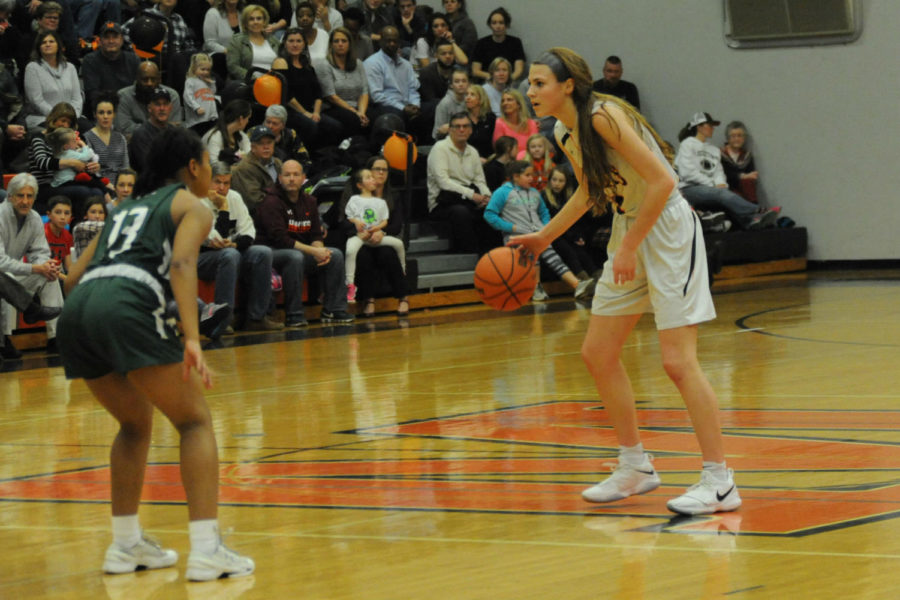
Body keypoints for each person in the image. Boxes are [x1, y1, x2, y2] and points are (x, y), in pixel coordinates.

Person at [513, 47, 741, 516]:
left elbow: (661, 181)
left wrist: (632, 245)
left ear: (567, 85)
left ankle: (720, 481)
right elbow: (590, 191)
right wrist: (544, 235)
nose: (530, 91)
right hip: (631, 230)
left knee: (678, 363)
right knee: (597, 352)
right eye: (530, 84)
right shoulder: (564, 130)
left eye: (539, 83)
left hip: (667, 231)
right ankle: (635, 466)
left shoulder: (603, 116)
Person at [55, 127, 255, 580]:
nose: (211, 171)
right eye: (208, 162)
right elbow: (184, 264)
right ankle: (206, 549)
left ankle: (125, 545)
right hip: (127, 303)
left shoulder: (125, 208)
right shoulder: (192, 205)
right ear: (192, 167)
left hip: (79, 311)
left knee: (134, 424)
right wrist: (190, 336)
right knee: (194, 421)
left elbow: (70, 280)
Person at [254, 159, 354, 325]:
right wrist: (314, 251)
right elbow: (281, 239)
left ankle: (334, 310)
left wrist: (320, 251)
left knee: (334, 255)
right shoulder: (271, 202)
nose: (291, 179)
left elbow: (315, 234)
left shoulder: (309, 201)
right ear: (280, 178)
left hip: (300, 250)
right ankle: (294, 314)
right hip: (272, 252)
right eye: (287, 175)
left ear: (303, 178)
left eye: (295, 175)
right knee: (294, 257)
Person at [200, 163, 282, 331]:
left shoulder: (235, 197)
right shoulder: (198, 200)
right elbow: (216, 239)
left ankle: (257, 318)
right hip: (200, 259)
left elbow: (248, 231)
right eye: (217, 182)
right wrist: (223, 208)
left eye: (226, 183)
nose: (222, 188)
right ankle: (222, 321)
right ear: (207, 181)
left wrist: (236, 243)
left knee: (262, 252)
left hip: (229, 252)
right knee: (230, 255)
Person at [675, 112, 778, 230]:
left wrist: (721, 184)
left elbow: (718, 172)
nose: (713, 128)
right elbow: (687, 173)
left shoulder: (713, 150)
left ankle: (751, 223)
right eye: (710, 125)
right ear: (699, 127)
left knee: (725, 195)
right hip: (690, 189)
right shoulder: (687, 145)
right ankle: (757, 211)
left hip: (710, 189)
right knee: (721, 194)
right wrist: (713, 185)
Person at [0, 173, 65, 358]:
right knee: (7, 278)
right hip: (3, 275)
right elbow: (0, 261)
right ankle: (5, 341)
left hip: (16, 273)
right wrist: (34, 268)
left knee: (49, 275)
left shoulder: (35, 218)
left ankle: (56, 338)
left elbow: (40, 252)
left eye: (30, 196)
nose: (25, 201)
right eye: (20, 196)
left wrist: (45, 266)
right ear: (10, 196)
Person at [427, 112, 498, 255]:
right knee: (461, 212)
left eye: (465, 126)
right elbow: (443, 182)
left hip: (468, 199)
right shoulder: (439, 148)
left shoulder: (472, 152)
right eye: (457, 126)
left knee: (492, 209)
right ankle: (470, 255)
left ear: (471, 130)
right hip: (443, 202)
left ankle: (494, 255)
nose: (461, 130)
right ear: (450, 129)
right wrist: (473, 195)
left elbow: (479, 180)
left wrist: (486, 197)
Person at [354, 154, 408, 317]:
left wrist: (381, 232)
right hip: (362, 239)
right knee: (363, 255)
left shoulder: (394, 195)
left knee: (387, 252)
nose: (381, 173)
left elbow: (397, 225)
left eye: (384, 170)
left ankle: (403, 297)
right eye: (377, 169)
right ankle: (368, 300)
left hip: (385, 238)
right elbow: (347, 221)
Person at [341, 167, 405, 303]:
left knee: (398, 244)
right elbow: (349, 217)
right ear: (359, 185)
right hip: (360, 236)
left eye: (372, 177)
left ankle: (403, 270)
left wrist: (378, 229)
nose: (373, 179)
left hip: (375, 236)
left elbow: (385, 221)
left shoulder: (381, 202)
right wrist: (357, 223)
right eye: (368, 177)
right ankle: (350, 284)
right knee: (350, 250)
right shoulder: (353, 199)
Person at [272, 26, 343, 150]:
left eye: (299, 41)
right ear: (285, 44)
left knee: (335, 126)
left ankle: (325, 156)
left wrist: (315, 112)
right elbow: (285, 94)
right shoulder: (280, 62)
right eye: (291, 41)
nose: (295, 45)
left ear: (304, 44)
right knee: (311, 126)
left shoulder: (307, 66)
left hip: (310, 110)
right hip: (290, 110)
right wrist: (305, 113)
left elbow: (318, 93)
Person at [27, 102, 104, 215]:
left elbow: (81, 162)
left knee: (97, 192)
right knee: (83, 192)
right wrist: (71, 163)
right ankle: (77, 225)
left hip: (66, 182)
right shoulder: (39, 138)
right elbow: (42, 162)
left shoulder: (70, 140)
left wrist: (92, 166)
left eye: (69, 123)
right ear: (53, 119)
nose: (65, 125)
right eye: (63, 120)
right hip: (44, 186)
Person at [363, 25, 426, 141]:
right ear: (381, 41)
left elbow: (413, 88)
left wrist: (415, 105)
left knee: (431, 109)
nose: (392, 44)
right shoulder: (372, 63)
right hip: (384, 106)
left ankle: (421, 149)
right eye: (388, 40)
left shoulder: (406, 64)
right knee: (397, 116)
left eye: (395, 41)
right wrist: (403, 108)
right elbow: (376, 96)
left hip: (407, 105)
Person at [542, 166, 601, 280]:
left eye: (561, 181)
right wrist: (573, 237)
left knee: (580, 250)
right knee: (568, 251)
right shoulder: (545, 197)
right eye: (554, 180)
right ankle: (583, 279)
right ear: (549, 181)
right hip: (554, 234)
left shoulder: (569, 197)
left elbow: (576, 221)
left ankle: (596, 274)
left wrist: (578, 236)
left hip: (568, 233)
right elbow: (555, 222)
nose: (557, 184)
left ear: (566, 183)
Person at [315, 26, 371, 137]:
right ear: (331, 44)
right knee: (353, 119)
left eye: (344, 41)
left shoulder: (358, 63)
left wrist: (362, 112)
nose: (340, 44)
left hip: (357, 106)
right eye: (336, 41)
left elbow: (364, 92)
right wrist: (355, 112)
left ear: (350, 44)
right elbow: (330, 96)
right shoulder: (324, 65)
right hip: (334, 108)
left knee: (375, 116)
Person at [22, 30, 83, 131]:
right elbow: (36, 100)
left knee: (90, 131)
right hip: (43, 118)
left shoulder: (70, 67)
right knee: (61, 134)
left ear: (58, 45)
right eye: (44, 42)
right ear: (39, 48)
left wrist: (72, 116)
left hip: (71, 118)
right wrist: (57, 116)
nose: (47, 44)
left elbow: (77, 98)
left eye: (51, 41)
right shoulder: (32, 68)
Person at [80, 21, 141, 109]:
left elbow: (138, 90)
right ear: (99, 41)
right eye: (106, 37)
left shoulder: (133, 59)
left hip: (128, 108)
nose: (111, 41)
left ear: (121, 40)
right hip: (101, 111)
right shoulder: (90, 60)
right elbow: (93, 94)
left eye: (115, 37)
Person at [116, 62, 183, 138]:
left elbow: (175, 129)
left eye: (153, 79)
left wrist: (141, 131)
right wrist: (159, 127)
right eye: (145, 79)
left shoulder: (172, 95)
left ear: (159, 79)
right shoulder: (123, 96)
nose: (149, 83)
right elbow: (124, 128)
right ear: (137, 78)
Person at [230, 124, 283, 213]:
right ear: (253, 147)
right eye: (261, 143)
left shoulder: (278, 163)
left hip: (277, 210)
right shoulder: (244, 168)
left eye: (269, 142)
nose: (266, 147)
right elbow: (254, 201)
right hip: (256, 216)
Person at [84, 92, 130, 185]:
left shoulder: (120, 138)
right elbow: (89, 170)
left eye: (109, 113)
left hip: (120, 184)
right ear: (94, 114)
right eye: (101, 113)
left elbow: (125, 167)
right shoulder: (87, 137)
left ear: (114, 114)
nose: (105, 117)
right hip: (98, 184)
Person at [47, 127, 109, 194]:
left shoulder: (58, 153)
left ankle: (100, 182)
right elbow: (87, 156)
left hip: (58, 183)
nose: (77, 142)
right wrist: (84, 145)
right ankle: (101, 184)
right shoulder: (69, 153)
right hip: (67, 182)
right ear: (66, 146)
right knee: (93, 184)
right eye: (74, 141)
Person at [225, 4, 279, 81]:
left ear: (264, 21)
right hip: (248, 83)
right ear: (245, 23)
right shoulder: (237, 40)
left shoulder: (274, 41)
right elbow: (233, 66)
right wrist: (255, 79)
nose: (255, 22)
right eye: (251, 19)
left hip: (273, 82)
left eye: (259, 18)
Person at [471, 7, 524, 83]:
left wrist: (507, 80)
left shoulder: (515, 43)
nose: (498, 26)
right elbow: (475, 71)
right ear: (490, 25)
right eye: (494, 23)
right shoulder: (481, 43)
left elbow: (519, 70)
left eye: (501, 23)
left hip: (509, 83)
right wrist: (494, 78)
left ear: (506, 25)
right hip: (487, 83)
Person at [128, 87, 175, 174]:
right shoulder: (141, 134)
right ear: (149, 108)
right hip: (151, 183)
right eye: (157, 104)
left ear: (170, 107)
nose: (162, 108)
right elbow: (149, 166)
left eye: (165, 104)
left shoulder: (175, 132)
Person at [720, 120, 759, 204]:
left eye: (739, 136)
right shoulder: (720, 154)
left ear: (744, 138)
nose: (736, 139)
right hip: (727, 189)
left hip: (744, 191)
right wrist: (741, 176)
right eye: (733, 136)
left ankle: (754, 209)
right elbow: (724, 174)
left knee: (748, 182)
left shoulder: (747, 156)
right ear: (728, 138)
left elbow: (751, 175)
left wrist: (747, 177)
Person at [263, 104, 312, 168]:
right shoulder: (254, 134)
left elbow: (304, 159)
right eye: (268, 122)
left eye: (275, 123)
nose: (270, 126)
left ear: (283, 125)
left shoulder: (291, 134)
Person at [183, 53, 218, 134]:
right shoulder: (190, 81)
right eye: (202, 69)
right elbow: (187, 96)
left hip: (210, 118)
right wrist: (196, 107)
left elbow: (213, 93)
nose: (205, 72)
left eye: (208, 70)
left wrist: (211, 83)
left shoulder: (207, 81)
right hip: (197, 121)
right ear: (194, 68)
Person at [432, 67, 467, 140]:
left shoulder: (470, 100)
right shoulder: (445, 103)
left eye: (464, 81)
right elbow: (437, 133)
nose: (461, 84)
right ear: (451, 85)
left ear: (468, 83)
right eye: (457, 81)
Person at [44, 195, 73, 278]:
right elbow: (44, 267)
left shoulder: (68, 236)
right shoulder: (42, 233)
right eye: (58, 212)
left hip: (58, 275)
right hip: (43, 273)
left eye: (67, 213)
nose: (63, 217)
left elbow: (69, 266)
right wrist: (68, 280)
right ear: (49, 215)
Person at [464, 84, 496, 159]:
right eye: (466, 94)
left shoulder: (490, 118)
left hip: (487, 159)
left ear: (481, 99)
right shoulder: (462, 118)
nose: (468, 97)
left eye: (472, 95)